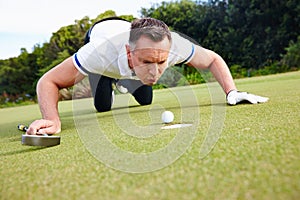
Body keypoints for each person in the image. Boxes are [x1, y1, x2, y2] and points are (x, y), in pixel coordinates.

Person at [26, 17, 268, 135]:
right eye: (146, 62)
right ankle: (108, 79)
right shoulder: (98, 53)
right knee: (102, 106)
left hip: (126, 37)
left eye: (161, 62)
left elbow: (213, 59)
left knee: (145, 98)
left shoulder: (176, 46)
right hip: (100, 37)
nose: (154, 72)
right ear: (130, 52)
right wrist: (53, 120)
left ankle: (124, 80)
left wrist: (231, 91)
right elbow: (48, 80)